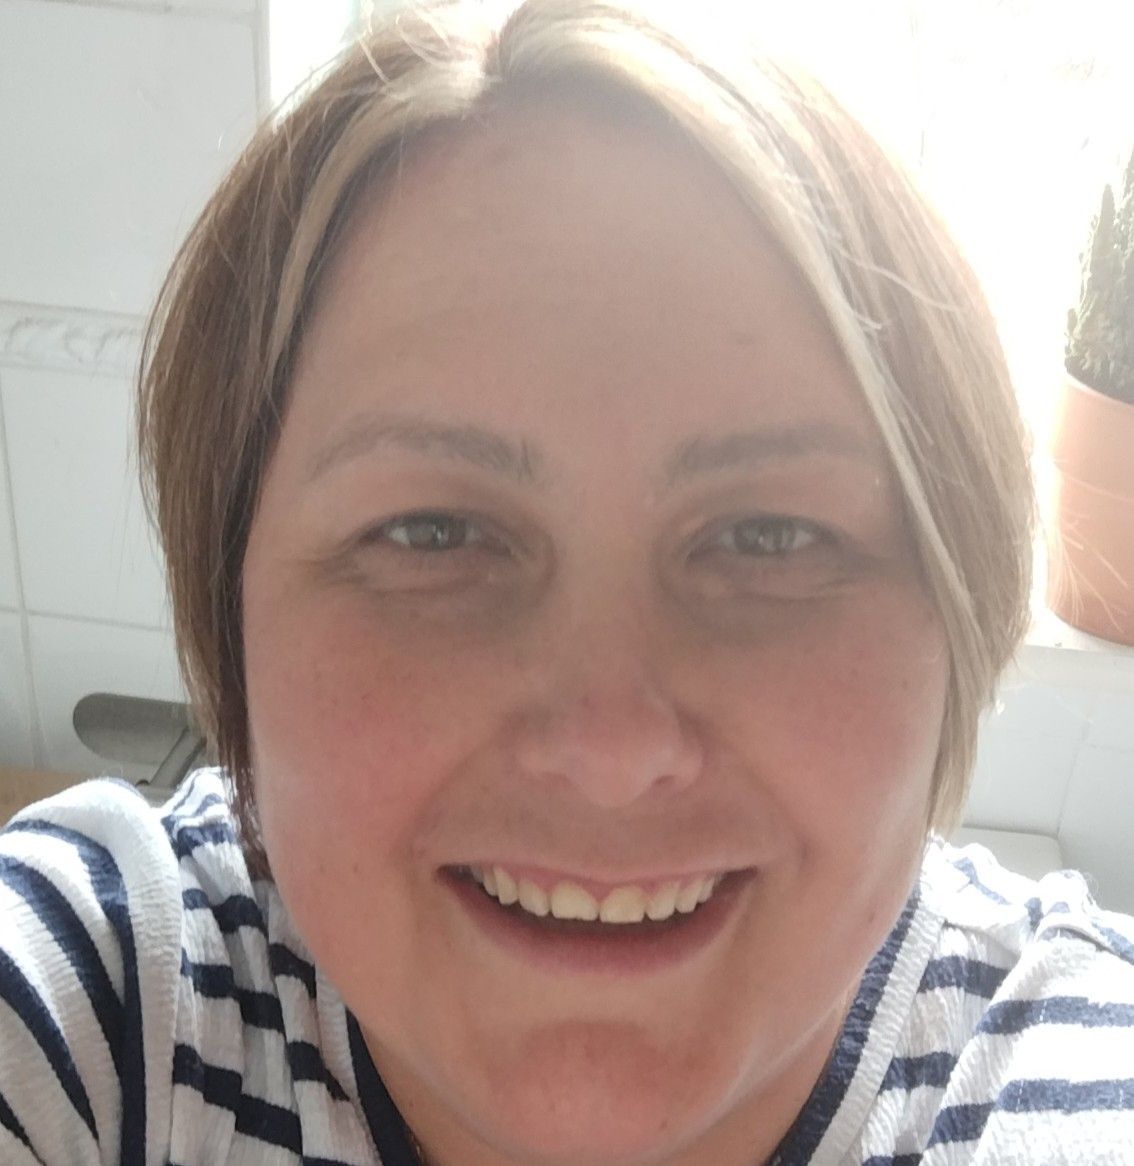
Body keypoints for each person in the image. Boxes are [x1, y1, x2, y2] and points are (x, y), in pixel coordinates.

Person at [2, 2, 1132, 1163]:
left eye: (767, 537)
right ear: (231, 610)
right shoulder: (95, 1011)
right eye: (434, 532)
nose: (609, 750)